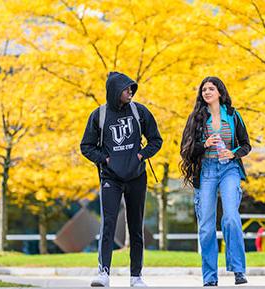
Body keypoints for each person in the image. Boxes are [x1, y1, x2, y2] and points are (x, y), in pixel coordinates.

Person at [81, 71, 162, 287]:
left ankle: (136, 277)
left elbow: (156, 140)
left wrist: (141, 155)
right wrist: (105, 159)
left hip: (136, 177)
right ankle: (103, 273)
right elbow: (86, 146)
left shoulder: (140, 112)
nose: (131, 93)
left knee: (136, 227)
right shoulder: (99, 115)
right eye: (127, 89)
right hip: (111, 178)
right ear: (115, 91)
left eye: (132, 89)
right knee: (107, 225)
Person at [180, 76, 251, 286]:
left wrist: (232, 153)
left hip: (229, 169)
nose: (207, 92)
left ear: (220, 92)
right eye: (204, 90)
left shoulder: (233, 115)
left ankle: (238, 270)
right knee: (207, 226)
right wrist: (205, 144)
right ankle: (210, 277)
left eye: (211, 89)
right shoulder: (197, 118)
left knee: (230, 217)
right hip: (207, 170)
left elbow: (246, 145)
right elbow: (186, 149)